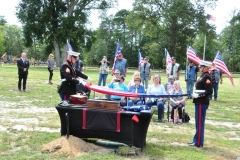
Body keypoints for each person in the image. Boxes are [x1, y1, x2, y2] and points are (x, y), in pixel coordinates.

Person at [188, 60, 212, 148]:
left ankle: (198, 142)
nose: (200, 68)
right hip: (199, 102)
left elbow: (209, 91)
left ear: (205, 68)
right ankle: (196, 140)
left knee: (200, 123)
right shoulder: (203, 76)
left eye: (201, 67)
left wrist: (198, 96)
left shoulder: (207, 77)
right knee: (198, 123)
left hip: (202, 102)